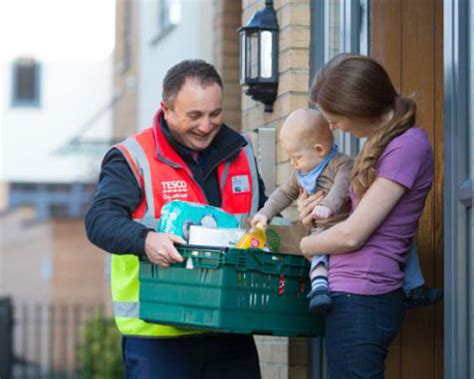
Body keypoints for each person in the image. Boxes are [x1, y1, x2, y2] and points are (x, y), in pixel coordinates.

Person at [85, 59, 266, 379]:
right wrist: (145, 240)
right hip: (159, 335)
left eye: (215, 114)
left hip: (229, 331)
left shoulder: (242, 153)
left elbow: (263, 221)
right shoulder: (132, 157)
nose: (207, 126)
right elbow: (99, 220)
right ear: (166, 110)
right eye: (194, 115)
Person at [298, 53, 441, 378]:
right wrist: (313, 214)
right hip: (351, 294)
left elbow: (353, 235)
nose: (332, 127)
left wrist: (306, 244)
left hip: (363, 296)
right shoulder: (382, 144)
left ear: (359, 105)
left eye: (335, 118)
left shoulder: (407, 146)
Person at [251, 108, 353, 313]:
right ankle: (319, 290)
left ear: (319, 150)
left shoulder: (341, 165)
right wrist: (265, 213)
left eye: (296, 157)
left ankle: (412, 285)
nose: (292, 163)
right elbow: (283, 194)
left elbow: (342, 188)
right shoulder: (300, 173)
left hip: (344, 224)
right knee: (318, 256)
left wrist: (327, 206)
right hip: (319, 230)